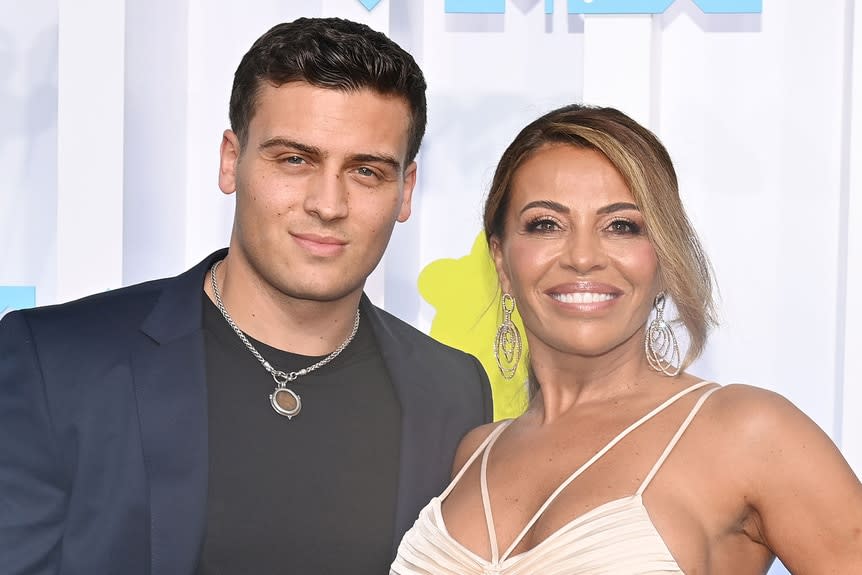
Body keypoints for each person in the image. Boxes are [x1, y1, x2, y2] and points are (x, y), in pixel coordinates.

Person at [0, 17, 492, 574]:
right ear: (231, 160)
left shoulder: (452, 391)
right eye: (295, 160)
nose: (327, 203)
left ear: (406, 191)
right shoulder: (56, 361)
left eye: (366, 171)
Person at [392, 104, 862, 574]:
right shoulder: (475, 452)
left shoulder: (748, 431)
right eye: (546, 224)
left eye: (621, 226)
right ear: (501, 261)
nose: (582, 257)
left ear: (662, 257)